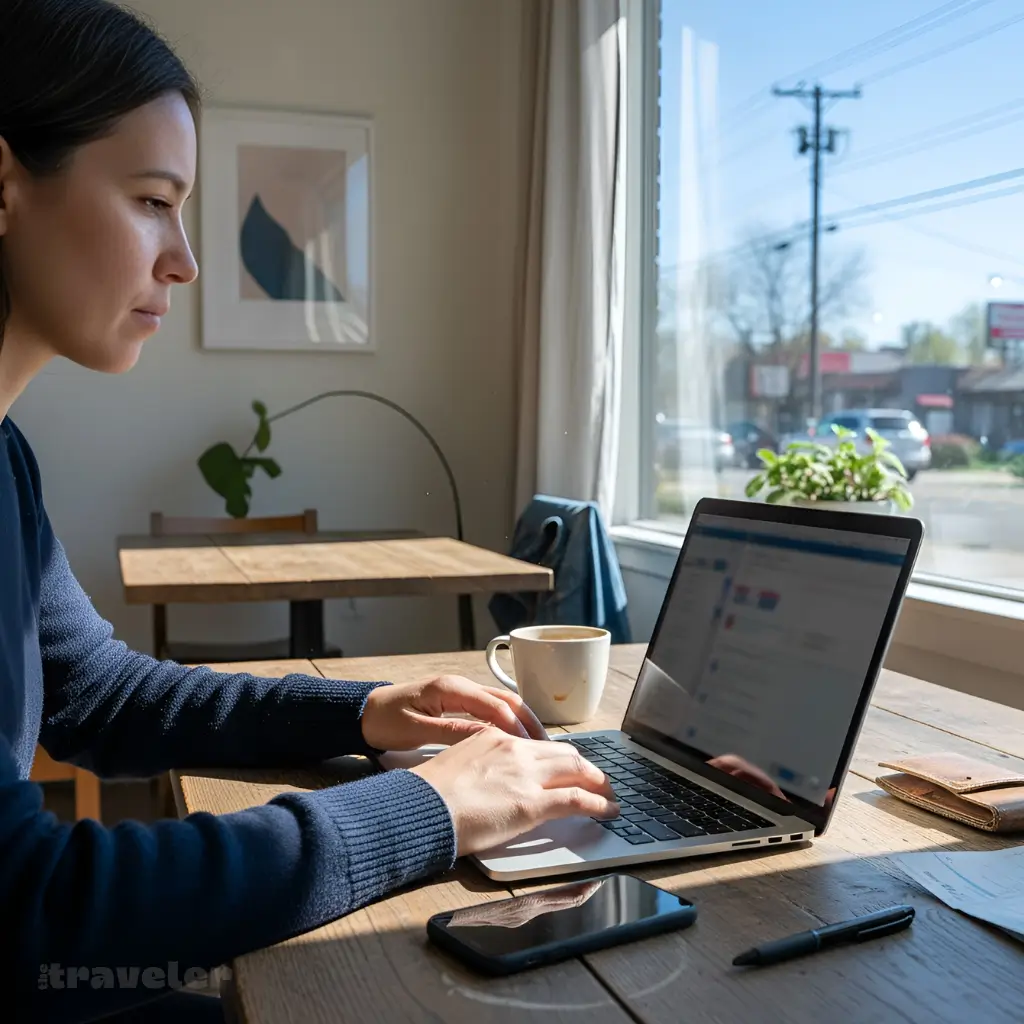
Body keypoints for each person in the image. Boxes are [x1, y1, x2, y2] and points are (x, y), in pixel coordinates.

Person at [0, 3, 619, 1021]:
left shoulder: (4, 459)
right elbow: (31, 910)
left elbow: (98, 695)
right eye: (153, 200)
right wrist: (427, 808)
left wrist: (360, 712)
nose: (186, 260)